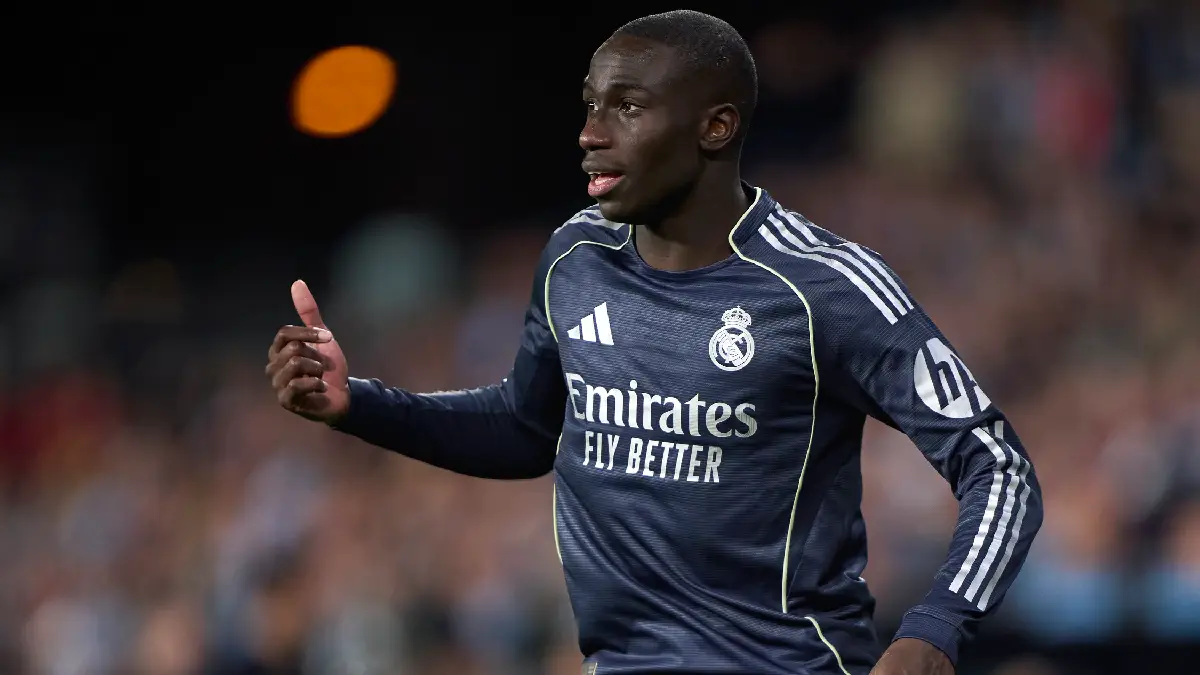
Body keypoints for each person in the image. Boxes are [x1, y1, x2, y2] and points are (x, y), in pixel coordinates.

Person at [265, 10, 1043, 674]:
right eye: (590, 105)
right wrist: (356, 403)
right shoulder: (575, 258)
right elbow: (527, 428)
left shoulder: (824, 287)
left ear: (716, 125)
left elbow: (999, 468)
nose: (589, 134)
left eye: (627, 108)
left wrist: (934, 627)